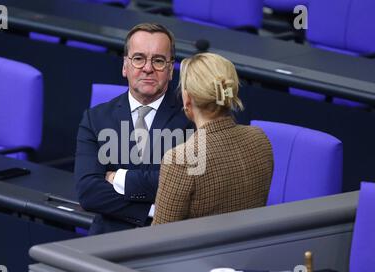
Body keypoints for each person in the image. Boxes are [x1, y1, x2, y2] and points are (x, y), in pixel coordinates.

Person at [75, 23, 193, 235]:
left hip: (168, 237)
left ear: (170, 69)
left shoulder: (190, 118)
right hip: (108, 236)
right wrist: (149, 209)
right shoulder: (96, 118)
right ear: (125, 66)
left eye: (158, 60)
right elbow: (88, 192)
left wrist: (117, 179)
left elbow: (184, 187)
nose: (148, 68)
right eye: (139, 58)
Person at [152, 53, 274, 225]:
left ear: (187, 99)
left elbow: (158, 238)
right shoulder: (260, 138)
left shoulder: (180, 160)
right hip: (250, 250)